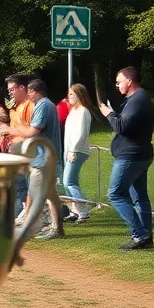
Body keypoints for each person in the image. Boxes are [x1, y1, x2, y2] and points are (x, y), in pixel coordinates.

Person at [99, 67, 154, 251]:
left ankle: (140, 234)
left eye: (119, 81)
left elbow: (122, 126)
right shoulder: (137, 99)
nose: (117, 85)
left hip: (131, 156)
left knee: (115, 194)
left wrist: (108, 113)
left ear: (129, 81)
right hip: (139, 154)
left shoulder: (138, 99)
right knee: (140, 197)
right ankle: (146, 238)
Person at [1, 79, 62, 239]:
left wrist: (12, 128)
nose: (28, 94)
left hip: (43, 158)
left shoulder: (42, 105)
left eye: (30, 91)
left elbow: (32, 132)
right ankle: (57, 228)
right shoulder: (48, 104)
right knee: (50, 195)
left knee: (36, 194)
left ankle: (35, 228)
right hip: (47, 156)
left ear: (37, 91)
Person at [3, 75, 34, 218]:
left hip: (27, 151)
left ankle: (29, 215)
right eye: (8, 90)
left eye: (12, 89)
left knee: (25, 185)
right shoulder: (17, 107)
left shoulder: (29, 105)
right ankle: (24, 214)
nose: (10, 93)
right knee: (20, 184)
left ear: (22, 88)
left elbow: (31, 131)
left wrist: (9, 130)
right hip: (18, 150)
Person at [63, 84, 93, 224]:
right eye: (69, 94)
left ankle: (83, 211)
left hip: (78, 150)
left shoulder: (83, 111)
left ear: (79, 95)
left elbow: (81, 133)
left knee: (69, 182)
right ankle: (74, 210)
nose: (69, 97)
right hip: (69, 151)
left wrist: (73, 150)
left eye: (72, 95)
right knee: (69, 182)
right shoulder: (73, 111)